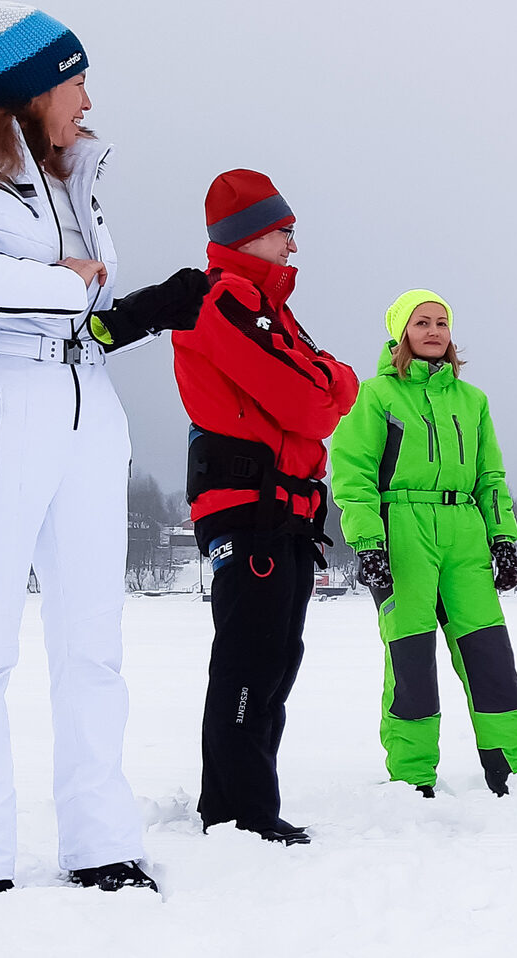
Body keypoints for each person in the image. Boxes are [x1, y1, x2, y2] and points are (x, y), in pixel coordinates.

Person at [0, 5, 206, 896]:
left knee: (93, 642)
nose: (87, 99)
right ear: (33, 86)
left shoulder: (72, 173)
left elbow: (84, 310)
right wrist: (59, 285)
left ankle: (100, 843)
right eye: (76, 80)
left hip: (87, 404)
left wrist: (141, 310)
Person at [173, 169, 358, 844]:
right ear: (250, 234)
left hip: (283, 514)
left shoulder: (268, 307)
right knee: (251, 662)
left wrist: (327, 381)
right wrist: (327, 382)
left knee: (274, 660)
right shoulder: (224, 301)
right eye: (284, 233)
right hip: (248, 511)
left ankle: (236, 806)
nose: (292, 246)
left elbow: (337, 387)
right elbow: (314, 402)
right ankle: (241, 812)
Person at [330, 290, 517, 797]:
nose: (434, 331)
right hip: (403, 531)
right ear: (400, 332)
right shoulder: (375, 395)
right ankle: (412, 777)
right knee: (411, 659)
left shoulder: (473, 400)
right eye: (421, 322)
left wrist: (503, 538)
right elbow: (353, 475)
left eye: (442, 322)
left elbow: (490, 476)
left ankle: (513, 771)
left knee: (490, 655)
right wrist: (368, 543)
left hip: (464, 531)